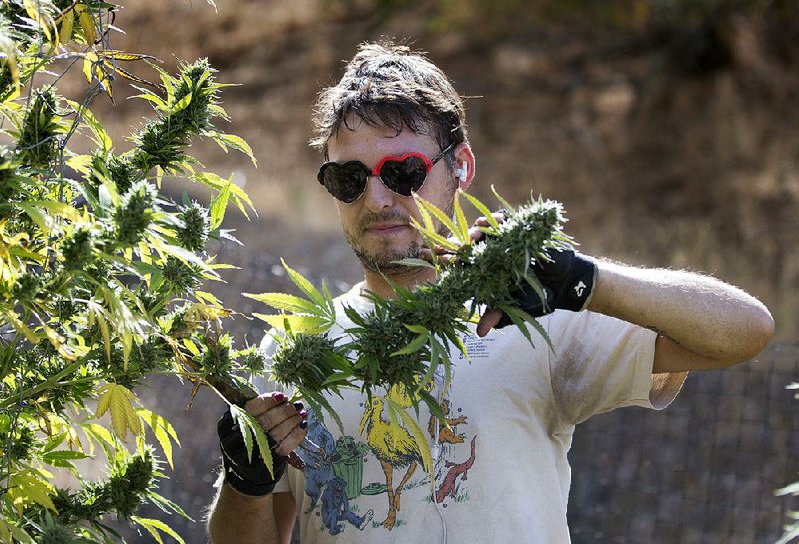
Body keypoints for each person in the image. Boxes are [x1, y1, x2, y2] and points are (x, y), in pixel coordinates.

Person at [207, 41, 774, 544]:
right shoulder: (295, 353)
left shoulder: (532, 315)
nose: (377, 199)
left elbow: (744, 330)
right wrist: (245, 482)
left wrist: (585, 280)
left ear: (461, 167)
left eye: (403, 172)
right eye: (349, 179)